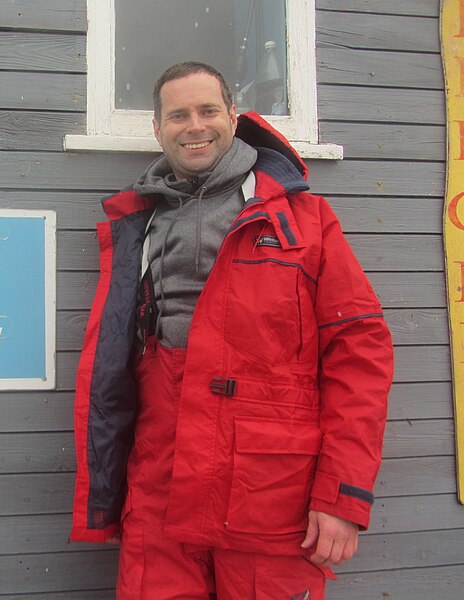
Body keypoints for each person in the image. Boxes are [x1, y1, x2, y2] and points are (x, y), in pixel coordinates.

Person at [70, 62, 394, 599]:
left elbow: (359, 354)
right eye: (178, 115)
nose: (193, 125)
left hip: (269, 498)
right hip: (160, 486)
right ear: (157, 129)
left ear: (233, 118)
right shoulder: (137, 225)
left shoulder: (306, 220)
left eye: (207, 111)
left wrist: (342, 496)